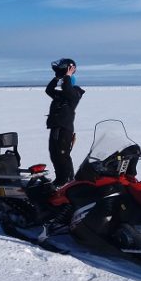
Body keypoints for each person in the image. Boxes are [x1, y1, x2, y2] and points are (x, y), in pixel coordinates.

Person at [46, 58, 85, 187]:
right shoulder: (61, 95)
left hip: (65, 129)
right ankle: (60, 178)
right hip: (55, 127)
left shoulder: (75, 94)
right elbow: (49, 90)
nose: (63, 82)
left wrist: (67, 76)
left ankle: (68, 181)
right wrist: (56, 78)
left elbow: (68, 89)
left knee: (63, 155)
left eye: (65, 81)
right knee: (54, 153)